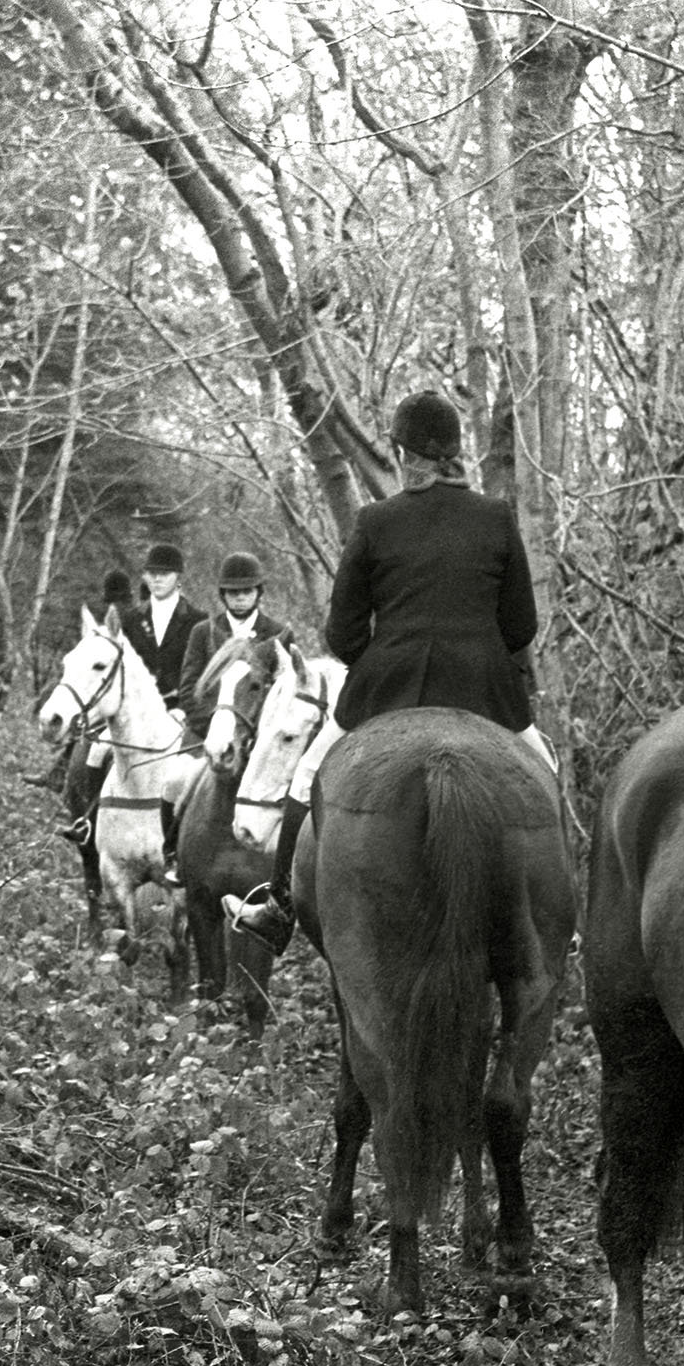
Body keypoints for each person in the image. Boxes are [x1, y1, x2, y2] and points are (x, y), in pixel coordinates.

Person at [231, 390, 551, 953]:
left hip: (388, 687)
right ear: (455, 452)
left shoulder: (375, 521)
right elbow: (521, 627)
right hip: (484, 690)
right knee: (544, 772)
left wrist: (381, 657)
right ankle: (556, 917)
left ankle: (278, 908)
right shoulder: (496, 518)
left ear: (404, 453)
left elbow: (342, 635)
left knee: (307, 775)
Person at [53, 567, 140, 845]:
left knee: (92, 749)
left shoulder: (131, 624)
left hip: (136, 703)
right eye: (112, 601)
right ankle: (86, 815)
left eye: (116, 601)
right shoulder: (106, 626)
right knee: (84, 734)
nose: (114, 606)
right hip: (109, 700)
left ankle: (85, 814)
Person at [174, 551, 288, 717]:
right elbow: (188, 690)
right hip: (210, 725)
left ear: (258, 593)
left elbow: (285, 691)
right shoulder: (203, 632)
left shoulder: (278, 633)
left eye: (247, 591)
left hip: (260, 729)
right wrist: (214, 726)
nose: (240, 598)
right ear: (223, 594)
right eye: (233, 592)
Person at [121, 543, 206, 715]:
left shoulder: (198, 621)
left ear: (178, 578)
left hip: (183, 712)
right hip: (137, 713)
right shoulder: (131, 620)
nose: (157, 579)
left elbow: (203, 675)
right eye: (152, 574)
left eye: (165, 574)